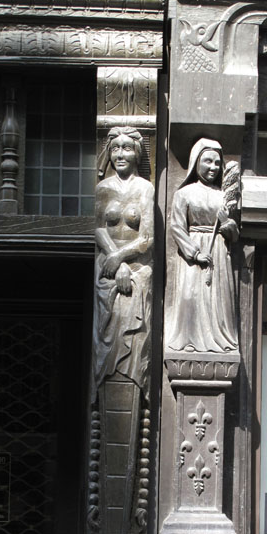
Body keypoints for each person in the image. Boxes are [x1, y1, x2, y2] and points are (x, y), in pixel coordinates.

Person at [93, 127, 154, 394]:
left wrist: (121, 259)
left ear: (137, 154)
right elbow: (97, 227)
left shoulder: (145, 189)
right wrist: (113, 258)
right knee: (104, 338)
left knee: (135, 342)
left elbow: (147, 238)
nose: (120, 154)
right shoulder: (103, 188)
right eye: (115, 148)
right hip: (106, 266)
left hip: (137, 267)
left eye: (127, 148)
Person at [166, 138, 239, 353]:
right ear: (196, 161)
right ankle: (189, 341)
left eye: (217, 163)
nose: (213, 168)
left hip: (217, 251)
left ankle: (218, 340)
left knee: (216, 301)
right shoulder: (184, 194)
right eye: (208, 161)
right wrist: (195, 253)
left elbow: (234, 233)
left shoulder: (223, 197)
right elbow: (177, 227)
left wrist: (227, 224)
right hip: (194, 253)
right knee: (191, 296)